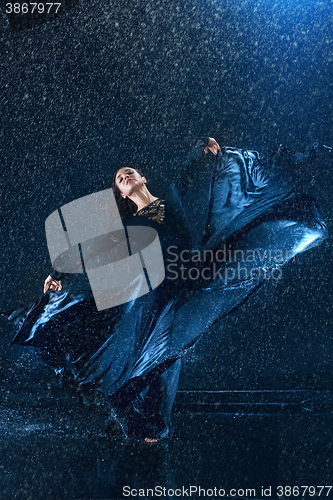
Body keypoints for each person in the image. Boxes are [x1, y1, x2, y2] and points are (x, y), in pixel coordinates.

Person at [9, 137, 328, 442]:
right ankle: (134, 415)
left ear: (142, 177)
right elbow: (88, 252)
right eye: (120, 179)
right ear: (121, 194)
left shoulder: (170, 200)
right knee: (165, 353)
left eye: (129, 172)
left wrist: (201, 148)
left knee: (171, 351)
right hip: (155, 295)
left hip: (190, 278)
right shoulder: (127, 226)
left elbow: (184, 174)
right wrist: (56, 274)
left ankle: (133, 414)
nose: (125, 176)